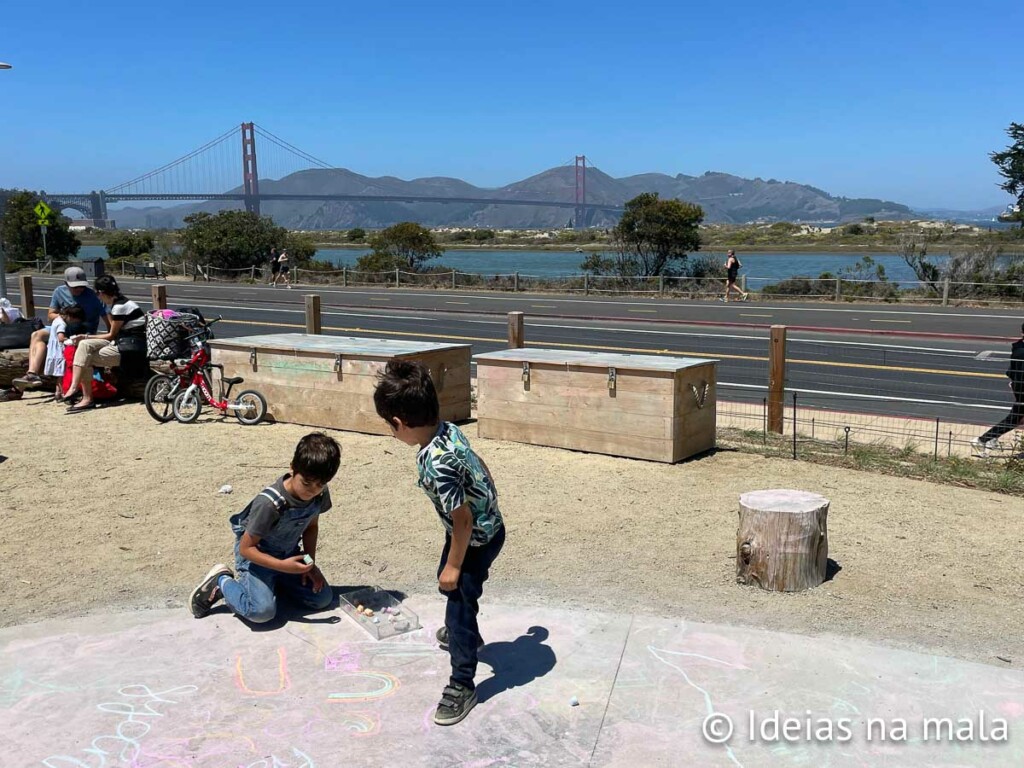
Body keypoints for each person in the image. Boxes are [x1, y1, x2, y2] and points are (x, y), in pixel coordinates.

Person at [373, 360, 505, 726]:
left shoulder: (436, 464)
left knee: (458, 597)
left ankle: (463, 682)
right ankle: (462, 629)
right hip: (487, 526)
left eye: (390, 425)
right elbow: (478, 464)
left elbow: (462, 520)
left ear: (399, 424)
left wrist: (454, 564)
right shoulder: (447, 429)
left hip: (474, 536)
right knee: (451, 584)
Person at [189, 432, 341, 624]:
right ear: (293, 468)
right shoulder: (270, 503)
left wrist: (309, 564)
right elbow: (246, 549)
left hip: (288, 555)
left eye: (320, 484)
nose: (311, 490)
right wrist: (283, 566)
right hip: (257, 559)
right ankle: (221, 582)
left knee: (321, 599)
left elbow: (311, 527)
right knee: (262, 612)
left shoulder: (319, 495)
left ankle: (275, 584)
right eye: (306, 483)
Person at [15, 267, 109, 389]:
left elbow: (106, 317)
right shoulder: (59, 292)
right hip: (64, 327)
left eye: (81, 286)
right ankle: (32, 373)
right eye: (75, 286)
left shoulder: (93, 296)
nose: (79, 289)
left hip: (83, 332)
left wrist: (110, 335)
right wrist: (66, 317)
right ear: (66, 284)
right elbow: (50, 315)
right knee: (36, 335)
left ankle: (39, 374)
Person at [63, 275, 146, 413]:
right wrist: (85, 339)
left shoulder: (119, 307)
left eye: (97, 293)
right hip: (123, 343)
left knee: (85, 356)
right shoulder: (119, 302)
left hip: (130, 349)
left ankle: (82, 394)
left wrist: (85, 336)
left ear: (101, 292)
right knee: (84, 346)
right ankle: (77, 390)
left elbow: (111, 335)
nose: (98, 297)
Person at [972, 322, 1024, 456]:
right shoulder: (1021, 351)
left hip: (1019, 387)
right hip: (1022, 389)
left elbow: (1012, 370)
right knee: (1014, 418)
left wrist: (1013, 381)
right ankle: (983, 440)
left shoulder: (1019, 346)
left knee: (1014, 419)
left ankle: (985, 439)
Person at [43, 304, 86, 382]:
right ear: (71, 317)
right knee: (61, 374)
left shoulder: (57, 319)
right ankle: (61, 390)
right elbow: (61, 338)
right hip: (59, 351)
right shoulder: (62, 324)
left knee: (58, 375)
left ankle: (58, 391)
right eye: (74, 321)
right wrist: (70, 340)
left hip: (52, 350)